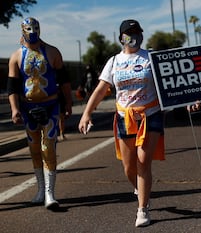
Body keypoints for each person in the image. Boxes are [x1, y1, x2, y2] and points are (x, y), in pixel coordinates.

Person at [78, 19, 164, 227]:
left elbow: (171, 82)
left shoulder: (150, 58)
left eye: (137, 31)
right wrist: (86, 113)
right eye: (129, 32)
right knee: (129, 167)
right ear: (121, 37)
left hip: (149, 114)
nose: (133, 35)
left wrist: (189, 100)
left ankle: (142, 209)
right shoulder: (114, 61)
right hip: (125, 118)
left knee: (143, 161)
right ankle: (140, 188)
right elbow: (100, 90)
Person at [7, 17, 72, 210]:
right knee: (34, 149)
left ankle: (50, 194)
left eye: (35, 28)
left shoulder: (52, 52)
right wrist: (15, 109)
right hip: (28, 109)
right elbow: (12, 86)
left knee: (48, 148)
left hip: (50, 106)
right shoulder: (16, 56)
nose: (32, 31)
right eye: (28, 28)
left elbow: (64, 80)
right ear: (22, 30)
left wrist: (68, 103)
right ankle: (40, 190)